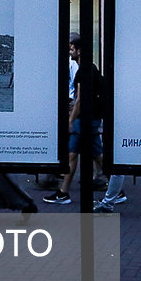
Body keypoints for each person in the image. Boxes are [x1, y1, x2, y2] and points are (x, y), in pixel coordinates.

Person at [44, 34, 103, 205]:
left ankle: (63, 193)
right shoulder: (89, 67)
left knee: (73, 154)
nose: (69, 52)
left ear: (79, 50)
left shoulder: (83, 70)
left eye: (71, 48)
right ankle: (116, 188)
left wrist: (70, 120)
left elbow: (79, 100)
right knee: (95, 154)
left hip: (84, 119)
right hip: (91, 118)